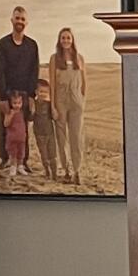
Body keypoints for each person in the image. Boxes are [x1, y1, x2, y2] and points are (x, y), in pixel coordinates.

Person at [0, 4, 39, 179]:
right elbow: (0, 71)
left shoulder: (32, 45)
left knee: (23, 129)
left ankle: (22, 161)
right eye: (17, 18)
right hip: (7, 94)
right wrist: (2, 97)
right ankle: (5, 159)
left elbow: (34, 71)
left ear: (27, 22)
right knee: (3, 127)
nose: (19, 21)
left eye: (22, 19)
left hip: (25, 94)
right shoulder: (2, 44)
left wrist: (33, 96)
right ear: (12, 20)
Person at [49, 25, 87, 185]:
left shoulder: (80, 58)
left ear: (72, 40)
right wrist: (53, 106)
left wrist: (81, 100)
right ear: (59, 40)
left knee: (76, 137)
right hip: (60, 101)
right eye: (63, 38)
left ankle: (77, 171)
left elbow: (84, 83)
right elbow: (52, 84)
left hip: (76, 102)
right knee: (61, 137)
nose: (66, 40)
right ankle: (66, 170)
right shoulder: (54, 58)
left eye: (68, 38)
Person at [30, 69, 63, 180]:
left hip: (50, 133)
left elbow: (55, 118)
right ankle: (47, 171)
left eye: (45, 92)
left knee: (52, 155)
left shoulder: (49, 105)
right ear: (36, 92)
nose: (43, 94)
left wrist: (54, 112)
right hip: (39, 134)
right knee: (44, 155)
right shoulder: (33, 104)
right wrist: (32, 111)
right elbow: (30, 119)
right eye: (41, 92)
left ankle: (54, 174)